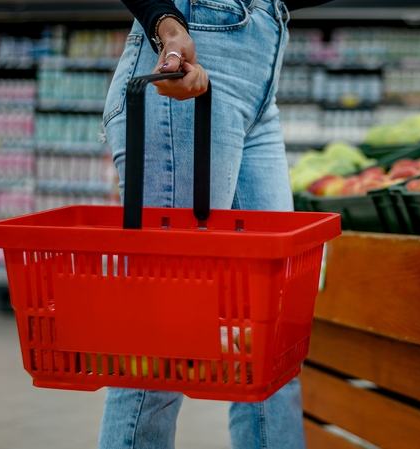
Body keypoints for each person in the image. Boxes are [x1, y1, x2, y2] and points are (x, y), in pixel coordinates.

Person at [98, 0, 329, 447]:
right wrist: (167, 26)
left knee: (274, 333)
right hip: (192, 52)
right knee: (162, 341)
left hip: (262, 71)